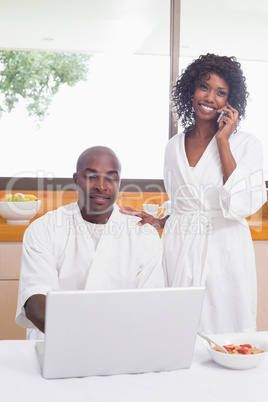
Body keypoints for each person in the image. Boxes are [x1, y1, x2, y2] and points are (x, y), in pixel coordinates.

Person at [119, 54, 267, 334]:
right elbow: (183, 202)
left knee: (225, 328)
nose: (210, 97)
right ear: (191, 90)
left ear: (230, 101)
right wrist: (160, 222)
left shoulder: (247, 144)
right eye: (204, 87)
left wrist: (223, 140)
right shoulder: (173, 147)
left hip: (224, 248)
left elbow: (240, 204)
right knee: (179, 329)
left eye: (220, 92)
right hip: (180, 245)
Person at [16, 146, 165, 339]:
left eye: (111, 177)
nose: (101, 186)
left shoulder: (143, 233)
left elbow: (150, 304)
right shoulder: (44, 228)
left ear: (119, 182)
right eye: (91, 176)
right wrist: (81, 338)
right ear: (76, 180)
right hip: (57, 341)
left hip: (121, 342)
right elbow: (35, 300)